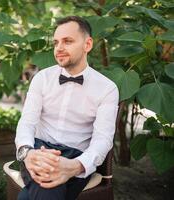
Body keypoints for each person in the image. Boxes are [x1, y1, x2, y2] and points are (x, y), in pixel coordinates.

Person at [15, 16, 119, 200]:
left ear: (87, 45)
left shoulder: (107, 88)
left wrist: (76, 166)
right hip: (39, 151)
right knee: (47, 184)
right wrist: (27, 153)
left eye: (67, 41)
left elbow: (103, 140)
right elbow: (27, 123)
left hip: (76, 156)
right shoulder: (42, 78)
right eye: (56, 42)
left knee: (40, 190)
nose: (59, 48)